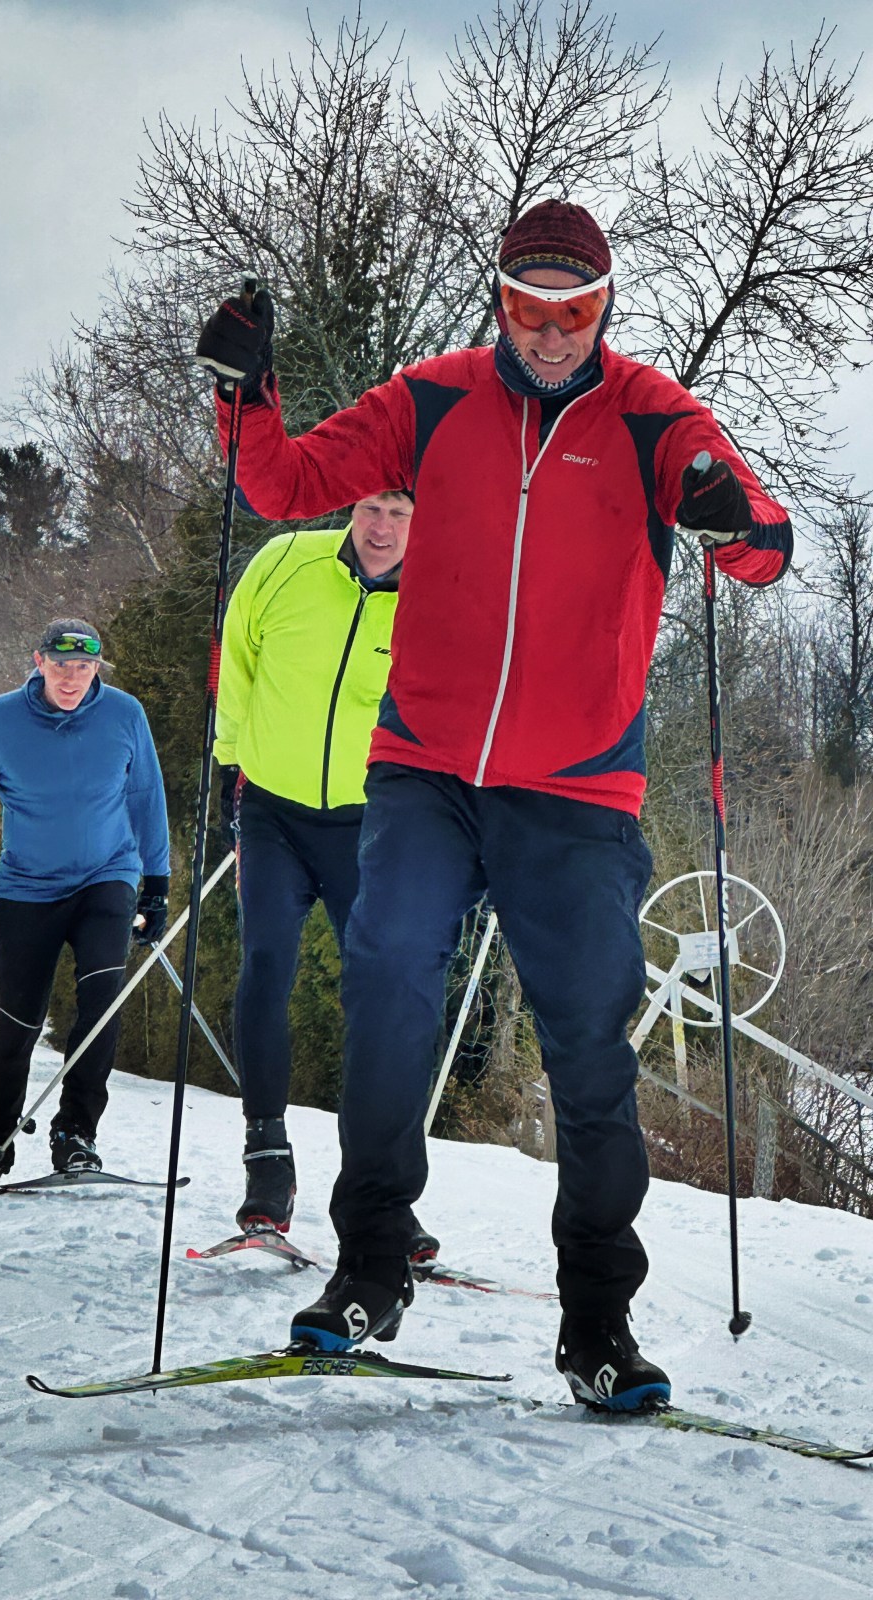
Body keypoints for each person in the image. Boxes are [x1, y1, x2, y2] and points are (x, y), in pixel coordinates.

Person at [195, 200, 792, 1409]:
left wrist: (733, 522)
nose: (553, 333)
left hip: (575, 789)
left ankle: (598, 1321)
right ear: (500, 300)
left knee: (587, 1044)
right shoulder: (436, 399)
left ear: (604, 307)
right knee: (388, 980)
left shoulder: (651, 419)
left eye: (574, 311)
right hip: (425, 765)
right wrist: (243, 390)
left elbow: (765, 544)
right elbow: (284, 480)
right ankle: (369, 1265)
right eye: (529, 307)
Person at [215, 492, 436, 1260]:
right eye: (372, 509)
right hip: (271, 810)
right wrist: (229, 766)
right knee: (266, 963)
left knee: (385, 996)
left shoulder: (437, 598)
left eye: (401, 515)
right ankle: (267, 1164)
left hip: (367, 825)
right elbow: (237, 659)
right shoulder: (284, 563)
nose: (381, 529)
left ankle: (384, 1194)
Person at [0, 619, 170, 1190]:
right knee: (17, 1023)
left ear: (98, 668)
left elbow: (146, 797)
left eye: (85, 667)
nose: (72, 679)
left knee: (100, 1008)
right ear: (38, 662)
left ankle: (75, 1135)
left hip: (107, 879)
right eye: (62, 667)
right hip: (27, 889)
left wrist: (157, 884)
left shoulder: (124, 715)